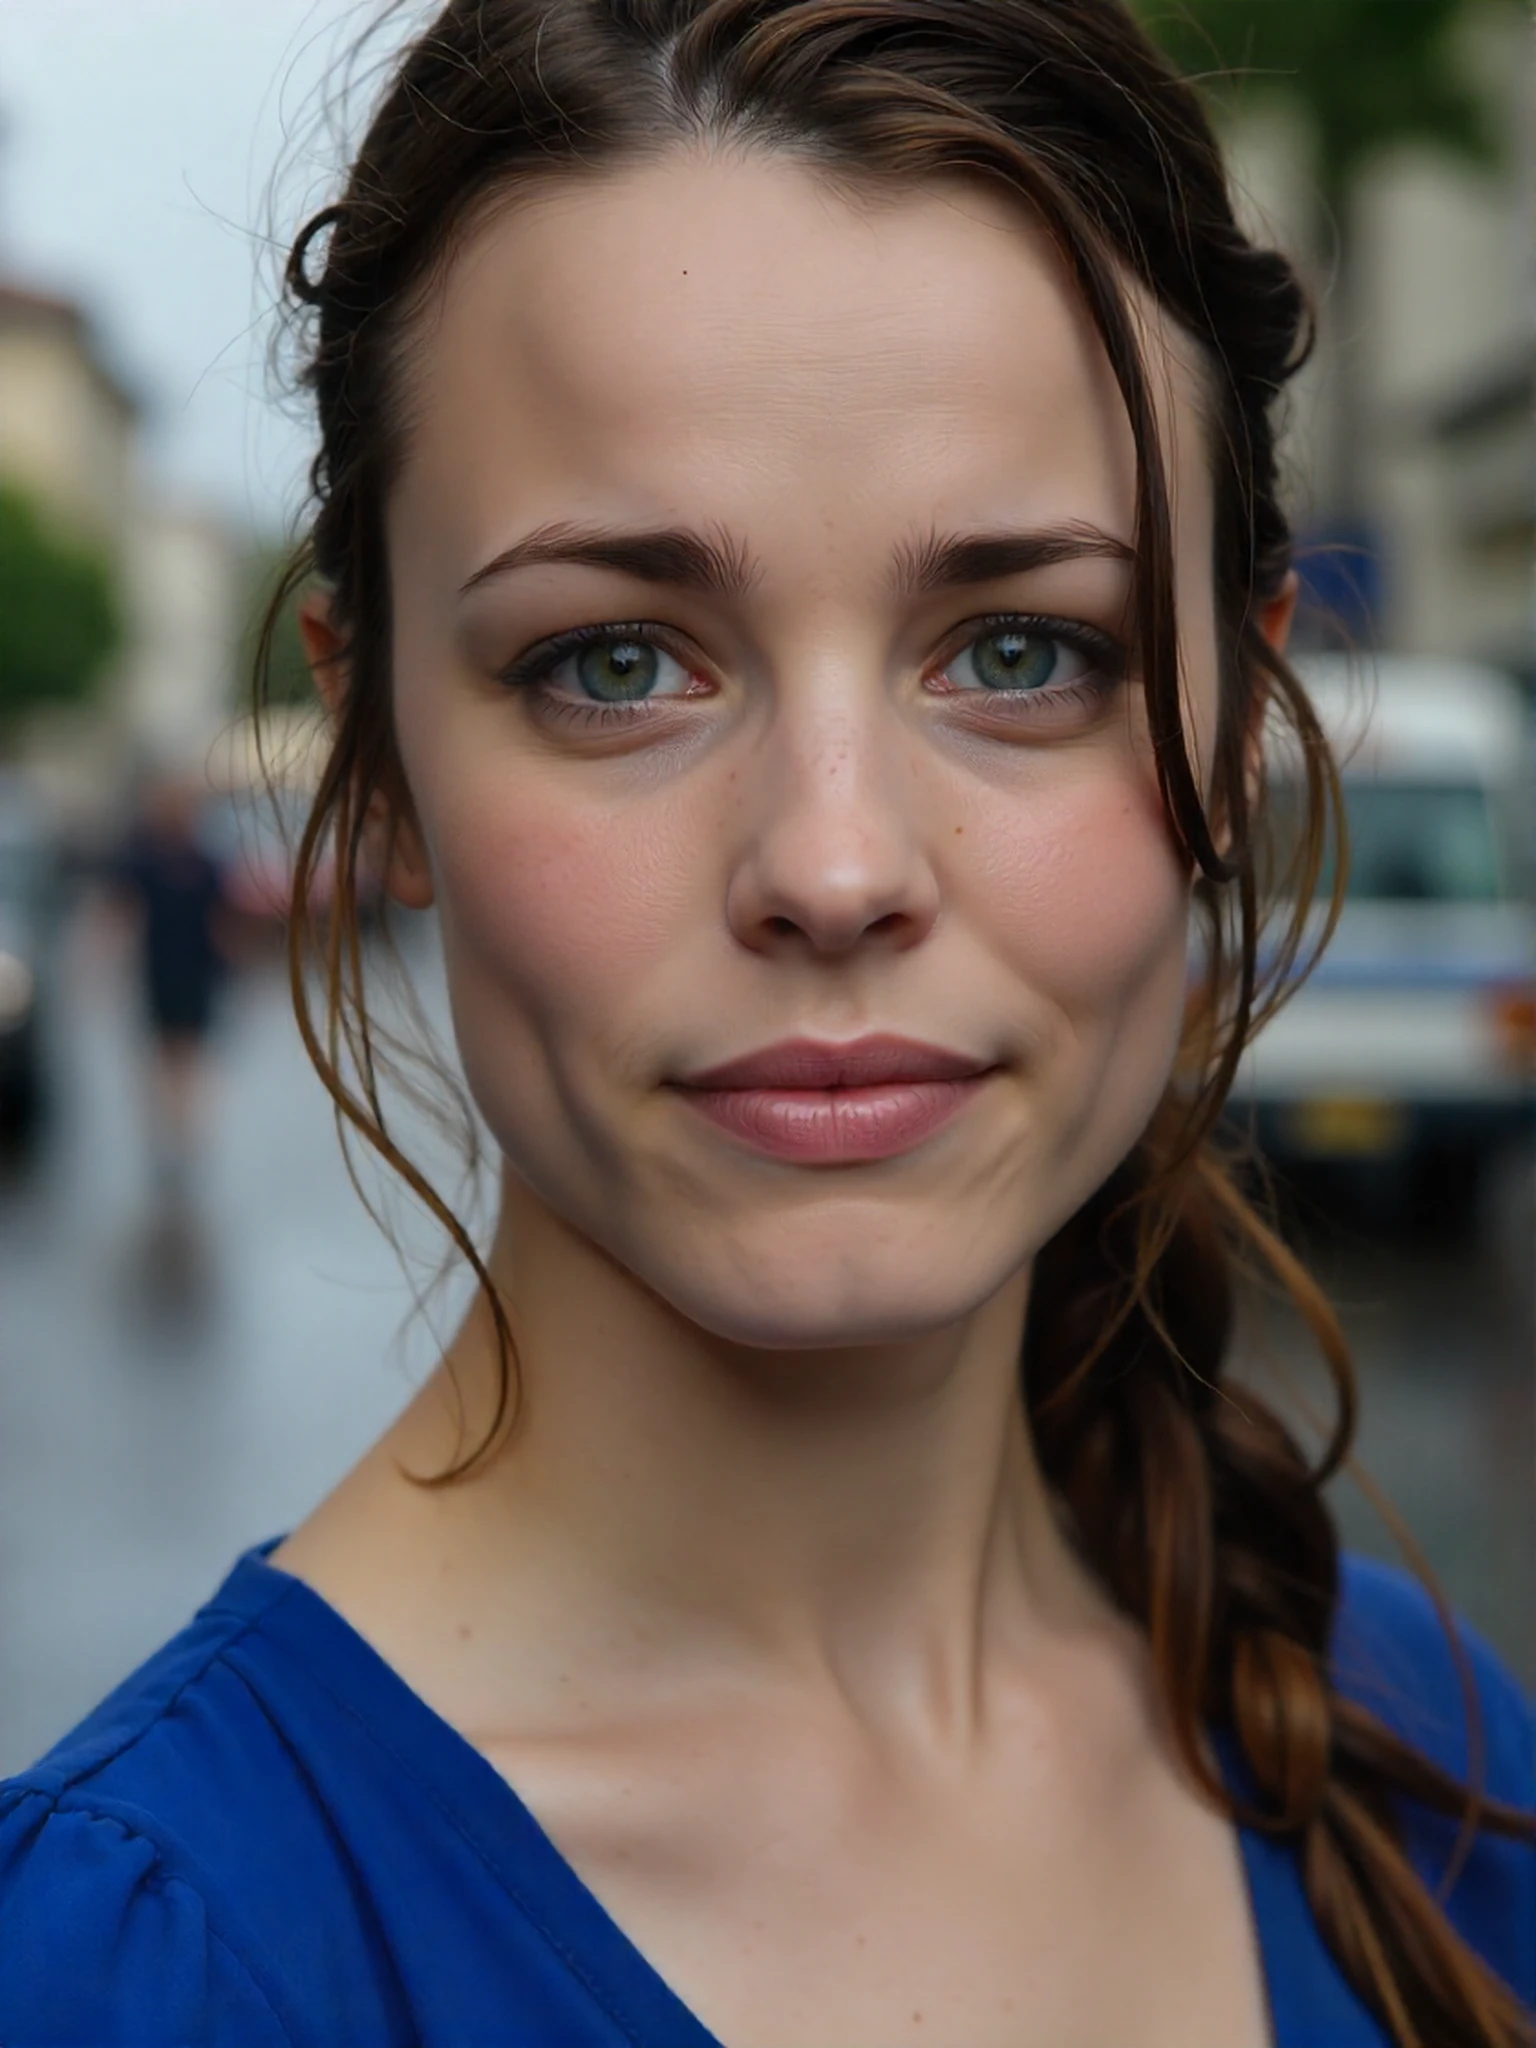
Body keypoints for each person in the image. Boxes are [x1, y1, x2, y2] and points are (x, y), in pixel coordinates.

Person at [1, 2, 1531, 2043]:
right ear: (376, 751)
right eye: (617, 661)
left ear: (1241, 727)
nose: (831, 863)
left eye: (1020, 648)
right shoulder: (127, 1967)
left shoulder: (1434, 1771)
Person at [111, 770, 231, 1207]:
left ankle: (183, 1141)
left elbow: (223, 923)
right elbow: (122, 914)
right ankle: (173, 1140)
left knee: (186, 1064)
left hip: (193, 975)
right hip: (162, 974)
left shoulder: (203, 861)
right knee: (167, 1064)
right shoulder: (148, 859)